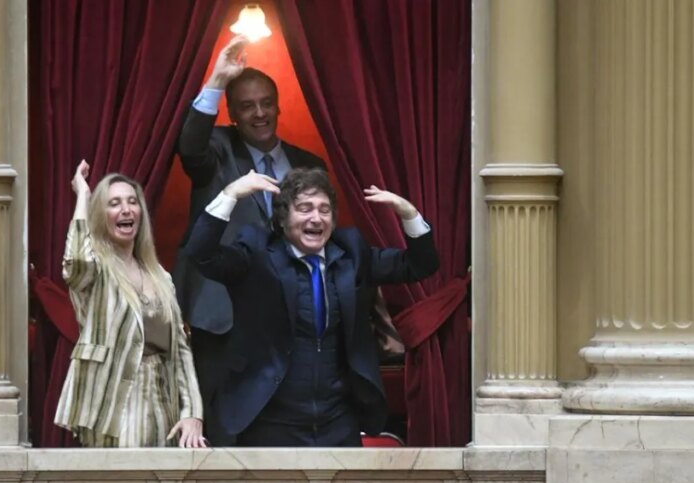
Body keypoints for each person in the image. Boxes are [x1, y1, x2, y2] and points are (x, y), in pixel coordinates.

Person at [184, 168, 439, 447]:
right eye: (305, 209)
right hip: (270, 420)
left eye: (324, 210)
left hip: (338, 420)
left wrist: (408, 213)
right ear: (283, 219)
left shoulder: (352, 253)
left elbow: (421, 264)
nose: (316, 218)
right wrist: (230, 194)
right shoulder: (256, 252)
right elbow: (201, 254)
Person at [174, 36, 326, 440]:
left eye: (266, 103)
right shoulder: (217, 149)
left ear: (278, 106)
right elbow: (189, 146)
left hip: (289, 315)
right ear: (232, 114)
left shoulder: (308, 164)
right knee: (222, 429)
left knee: (281, 428)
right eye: (247, 106)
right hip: (222, 316)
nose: (259, 113)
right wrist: (218, 80)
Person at [55, 160, 207, 448]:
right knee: (125, 476)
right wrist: (83, 197)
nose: (126, 210)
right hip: (113, 403)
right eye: (114, 204)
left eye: (132, 202)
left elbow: (180, 348)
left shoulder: (159, 275)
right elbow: (77, 262)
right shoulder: (95, 268)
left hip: (162, 403)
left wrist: (192, 413)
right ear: (100, 216)